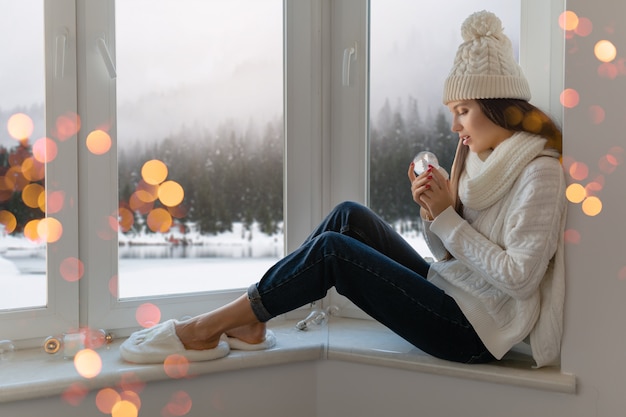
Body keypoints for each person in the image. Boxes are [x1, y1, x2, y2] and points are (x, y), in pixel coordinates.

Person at [120, 10, 566, 368]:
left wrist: (448, 219)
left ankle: (207, 327)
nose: (454, 126)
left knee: (333, 251)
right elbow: (449, 254)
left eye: (463, 110)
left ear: (498, 106)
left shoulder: (538, 171)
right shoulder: (476, 157)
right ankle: (251, 322)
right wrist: (434, 211)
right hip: (450, 291)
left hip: (472, 330)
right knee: (349, 216)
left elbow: (521, 279)